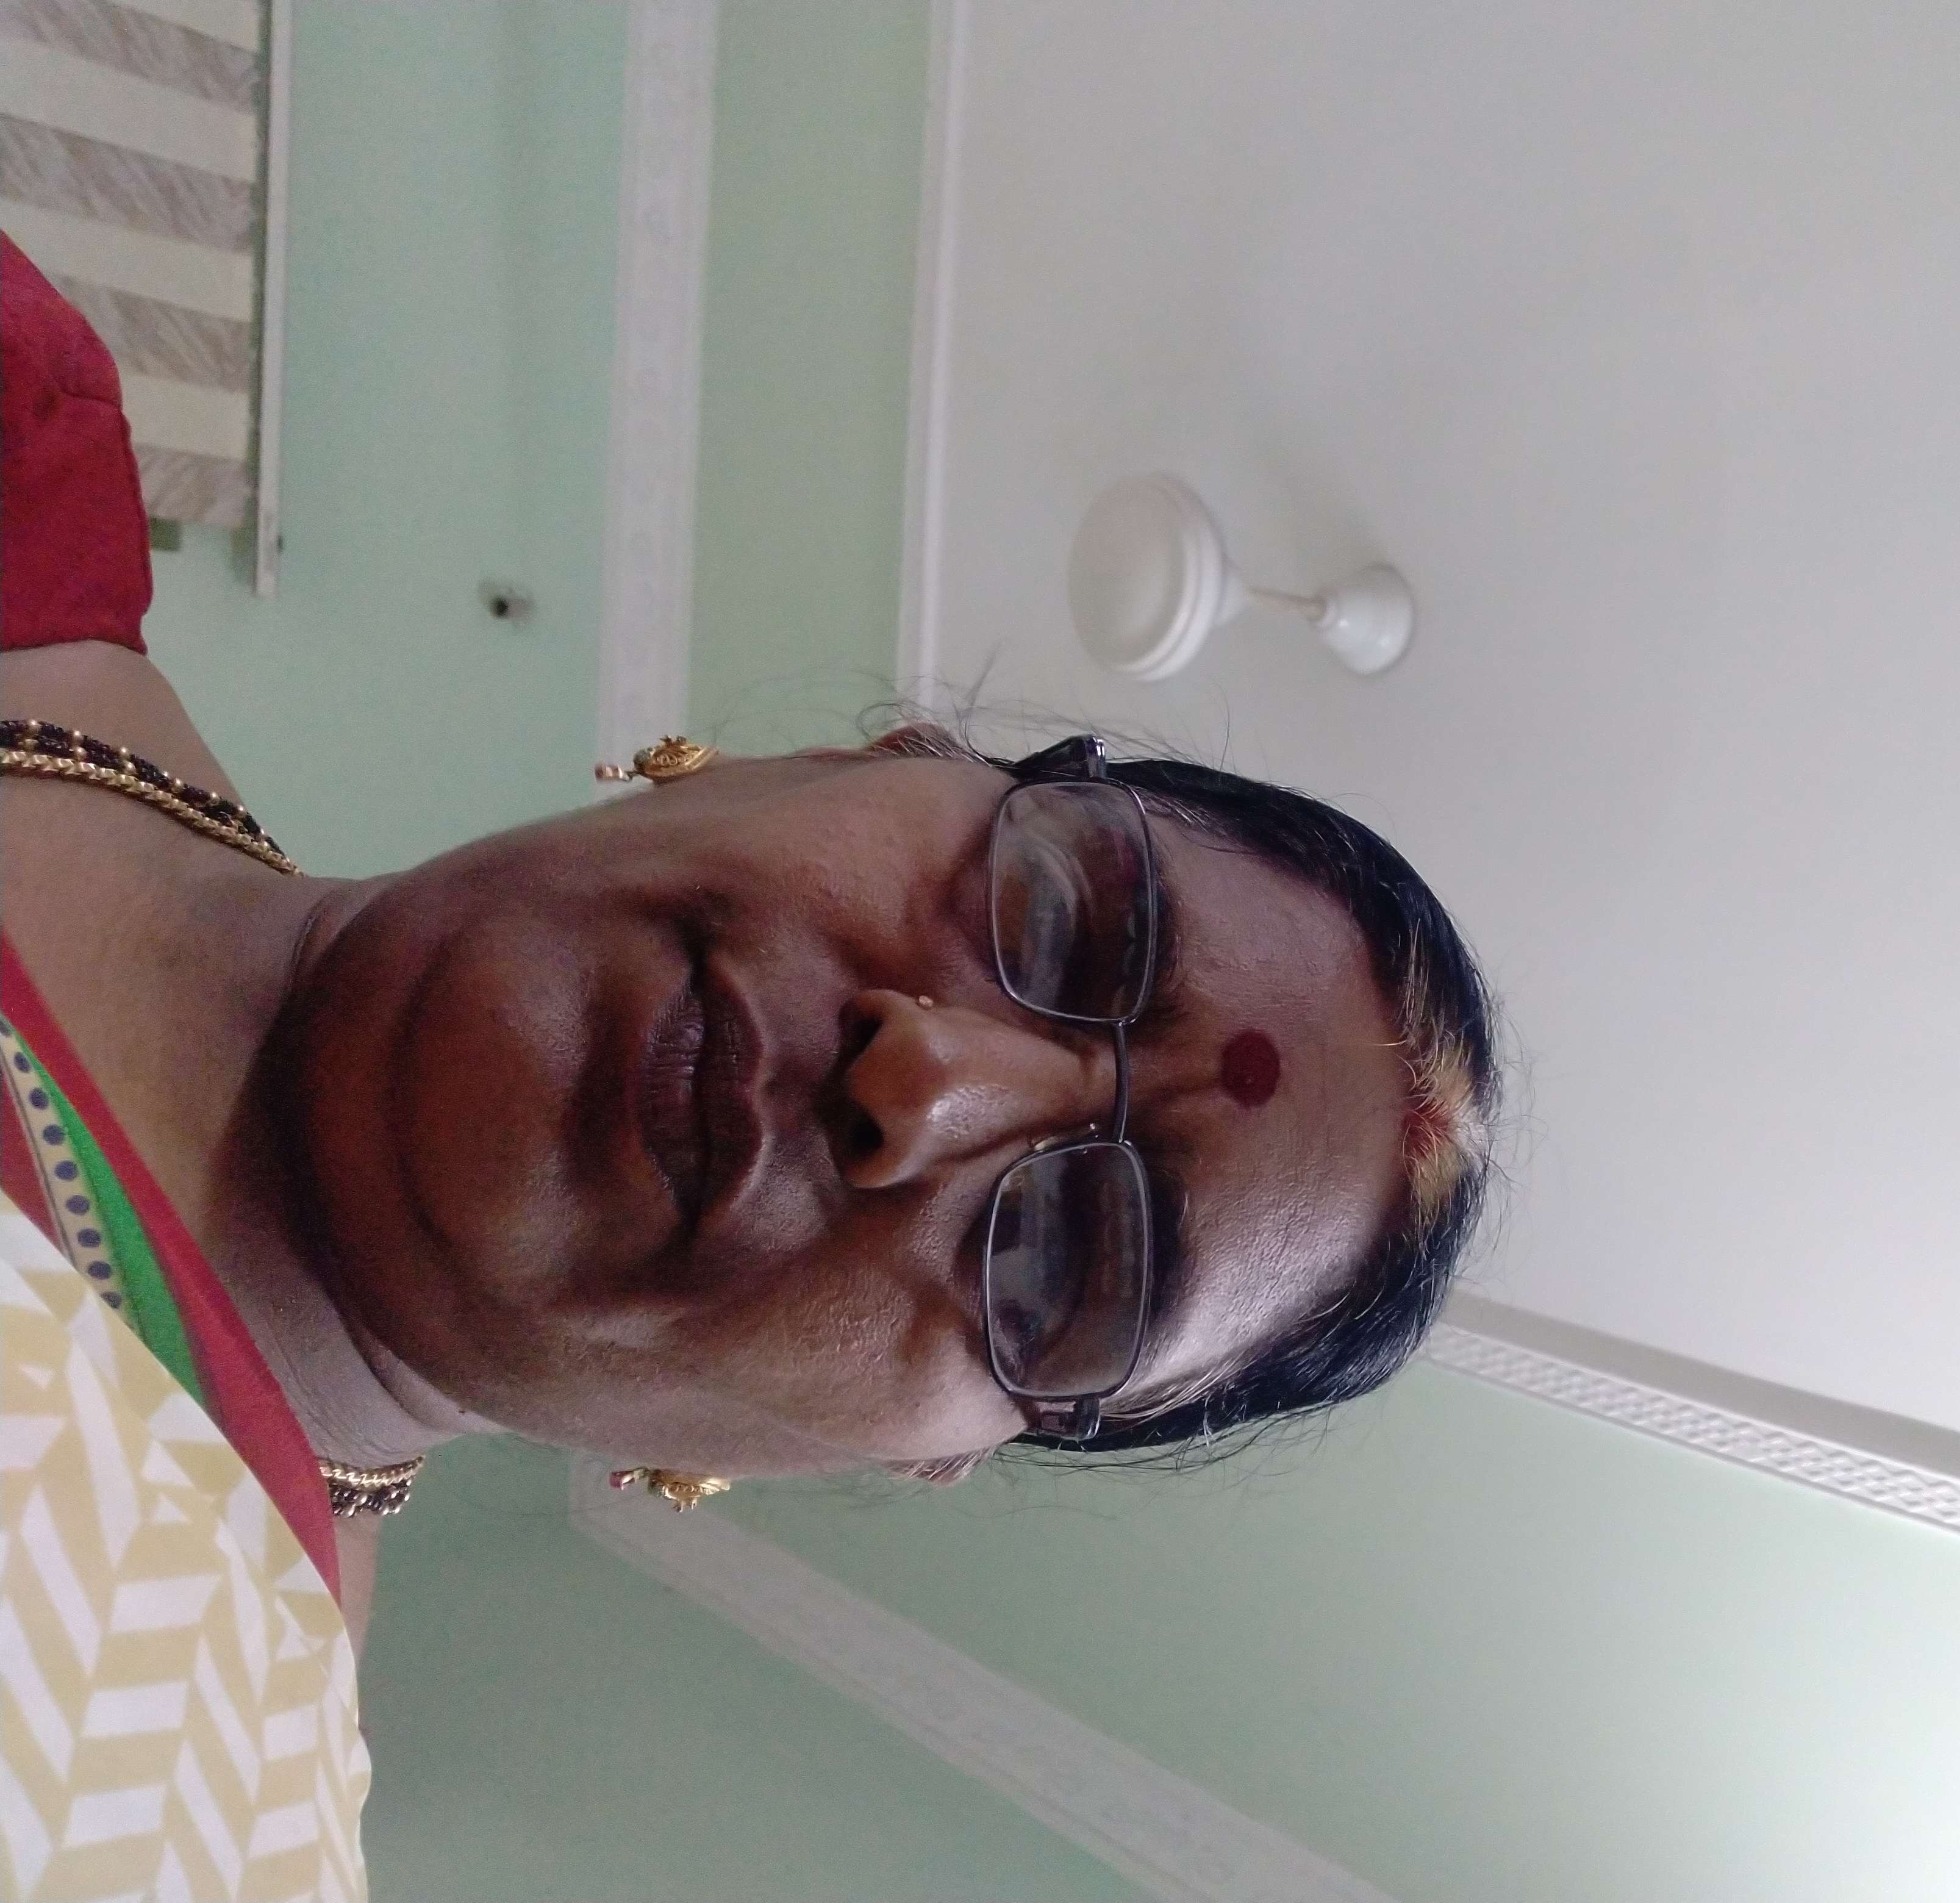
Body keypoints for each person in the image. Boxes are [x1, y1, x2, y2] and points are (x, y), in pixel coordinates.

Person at [0, 232, 1498, 1898]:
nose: (921, 1088)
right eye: (1069, 920)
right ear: (845, 761)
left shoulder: (176, 1808)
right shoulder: (19, 421)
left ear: (898, 1452)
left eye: (1075, 1264)